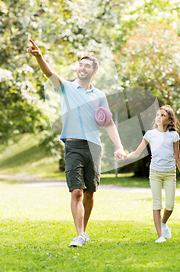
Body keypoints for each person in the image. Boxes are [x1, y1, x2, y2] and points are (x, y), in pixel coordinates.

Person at [26, 39, 126, 247]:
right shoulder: (67, 88)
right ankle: (79, 234)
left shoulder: (99, 95)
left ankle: (83, 232)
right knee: (77, 191)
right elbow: (50, 74)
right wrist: (39, 57)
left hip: (94, 147)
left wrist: (119, 147)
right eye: (80, 65)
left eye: (87, 65)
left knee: (89, 192)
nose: (82, 68)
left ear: (94, 71)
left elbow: (108, 123)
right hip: (73, 146)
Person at [123, 105, 180, 243]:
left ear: (169, 120)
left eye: (162, 115)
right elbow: (137, 152)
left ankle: (164, 223)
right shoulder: (150, 134)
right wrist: (125, 157)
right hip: (155, 173)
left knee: (170, 205)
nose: (158, 117)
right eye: (158, 115)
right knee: (157, 204)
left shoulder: (174, 135)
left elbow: (177, 157)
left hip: (170, 173)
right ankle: (160, 236)